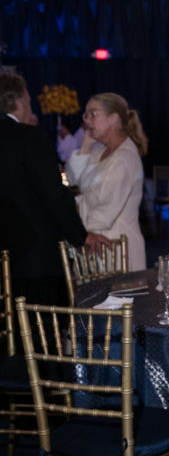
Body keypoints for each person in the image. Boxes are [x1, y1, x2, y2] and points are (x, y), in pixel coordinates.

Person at [0, 71, 109, 305]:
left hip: (6, 256)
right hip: (35, 256)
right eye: (28, 101)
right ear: (19, 102)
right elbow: (53, 196)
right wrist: (81, 236)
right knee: (44, 332)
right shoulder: (29, 137)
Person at [65, 93, 148, 270]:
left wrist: (79, 233)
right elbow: (74, 180)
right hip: (96, 243)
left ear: (113, 119)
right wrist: (85, 145)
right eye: (85, 115)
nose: (86, 120)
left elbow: (107, 207)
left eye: (93, 114)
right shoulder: (99, 152)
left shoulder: (124, 157)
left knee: (118, 297)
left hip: (116, 245)